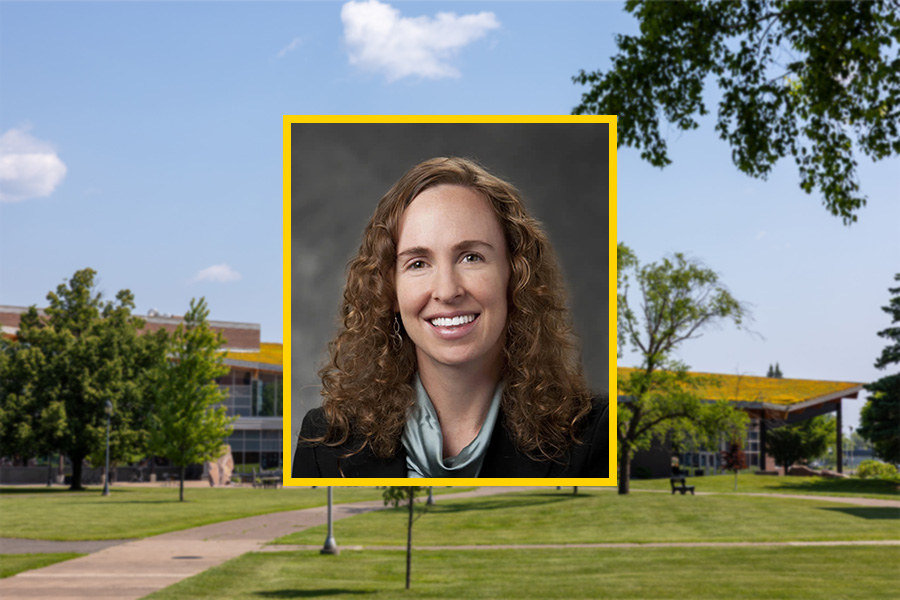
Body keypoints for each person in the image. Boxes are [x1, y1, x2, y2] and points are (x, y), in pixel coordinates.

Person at [292, 156, 609, 478]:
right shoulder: (326, 443)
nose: (446, 290)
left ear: (515, 276)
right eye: (418, 263)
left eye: (471, 257)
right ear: (389, 290)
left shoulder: (598, 435)